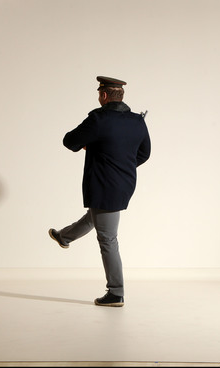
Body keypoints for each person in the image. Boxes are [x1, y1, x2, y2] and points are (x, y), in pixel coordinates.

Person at [49, 76, 151, 307]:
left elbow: (70, 141)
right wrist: (121, 164)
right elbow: (144, 153)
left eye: (99, 94)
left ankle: (116, 292)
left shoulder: (99, 118)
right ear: (120, 96)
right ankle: (64, 236)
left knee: (108, 239)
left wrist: (94, 146)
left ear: (104, 95)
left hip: (105, 184)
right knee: (95, 216)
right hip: (124, 184)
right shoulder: (137, 121)